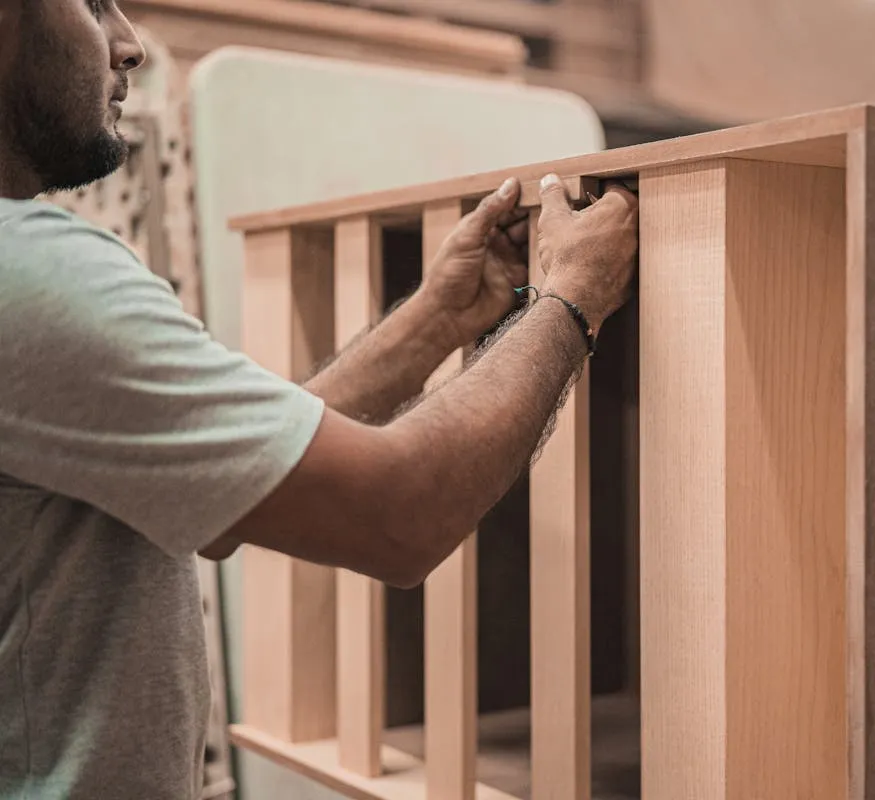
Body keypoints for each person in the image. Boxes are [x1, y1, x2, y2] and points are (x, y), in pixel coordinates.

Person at [0, 0, 639, 797]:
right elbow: (398, 514)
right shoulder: (29, 274)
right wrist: (574, 299)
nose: (128, 44)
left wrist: (438, 318)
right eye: (92, 4)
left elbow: (237, 491)